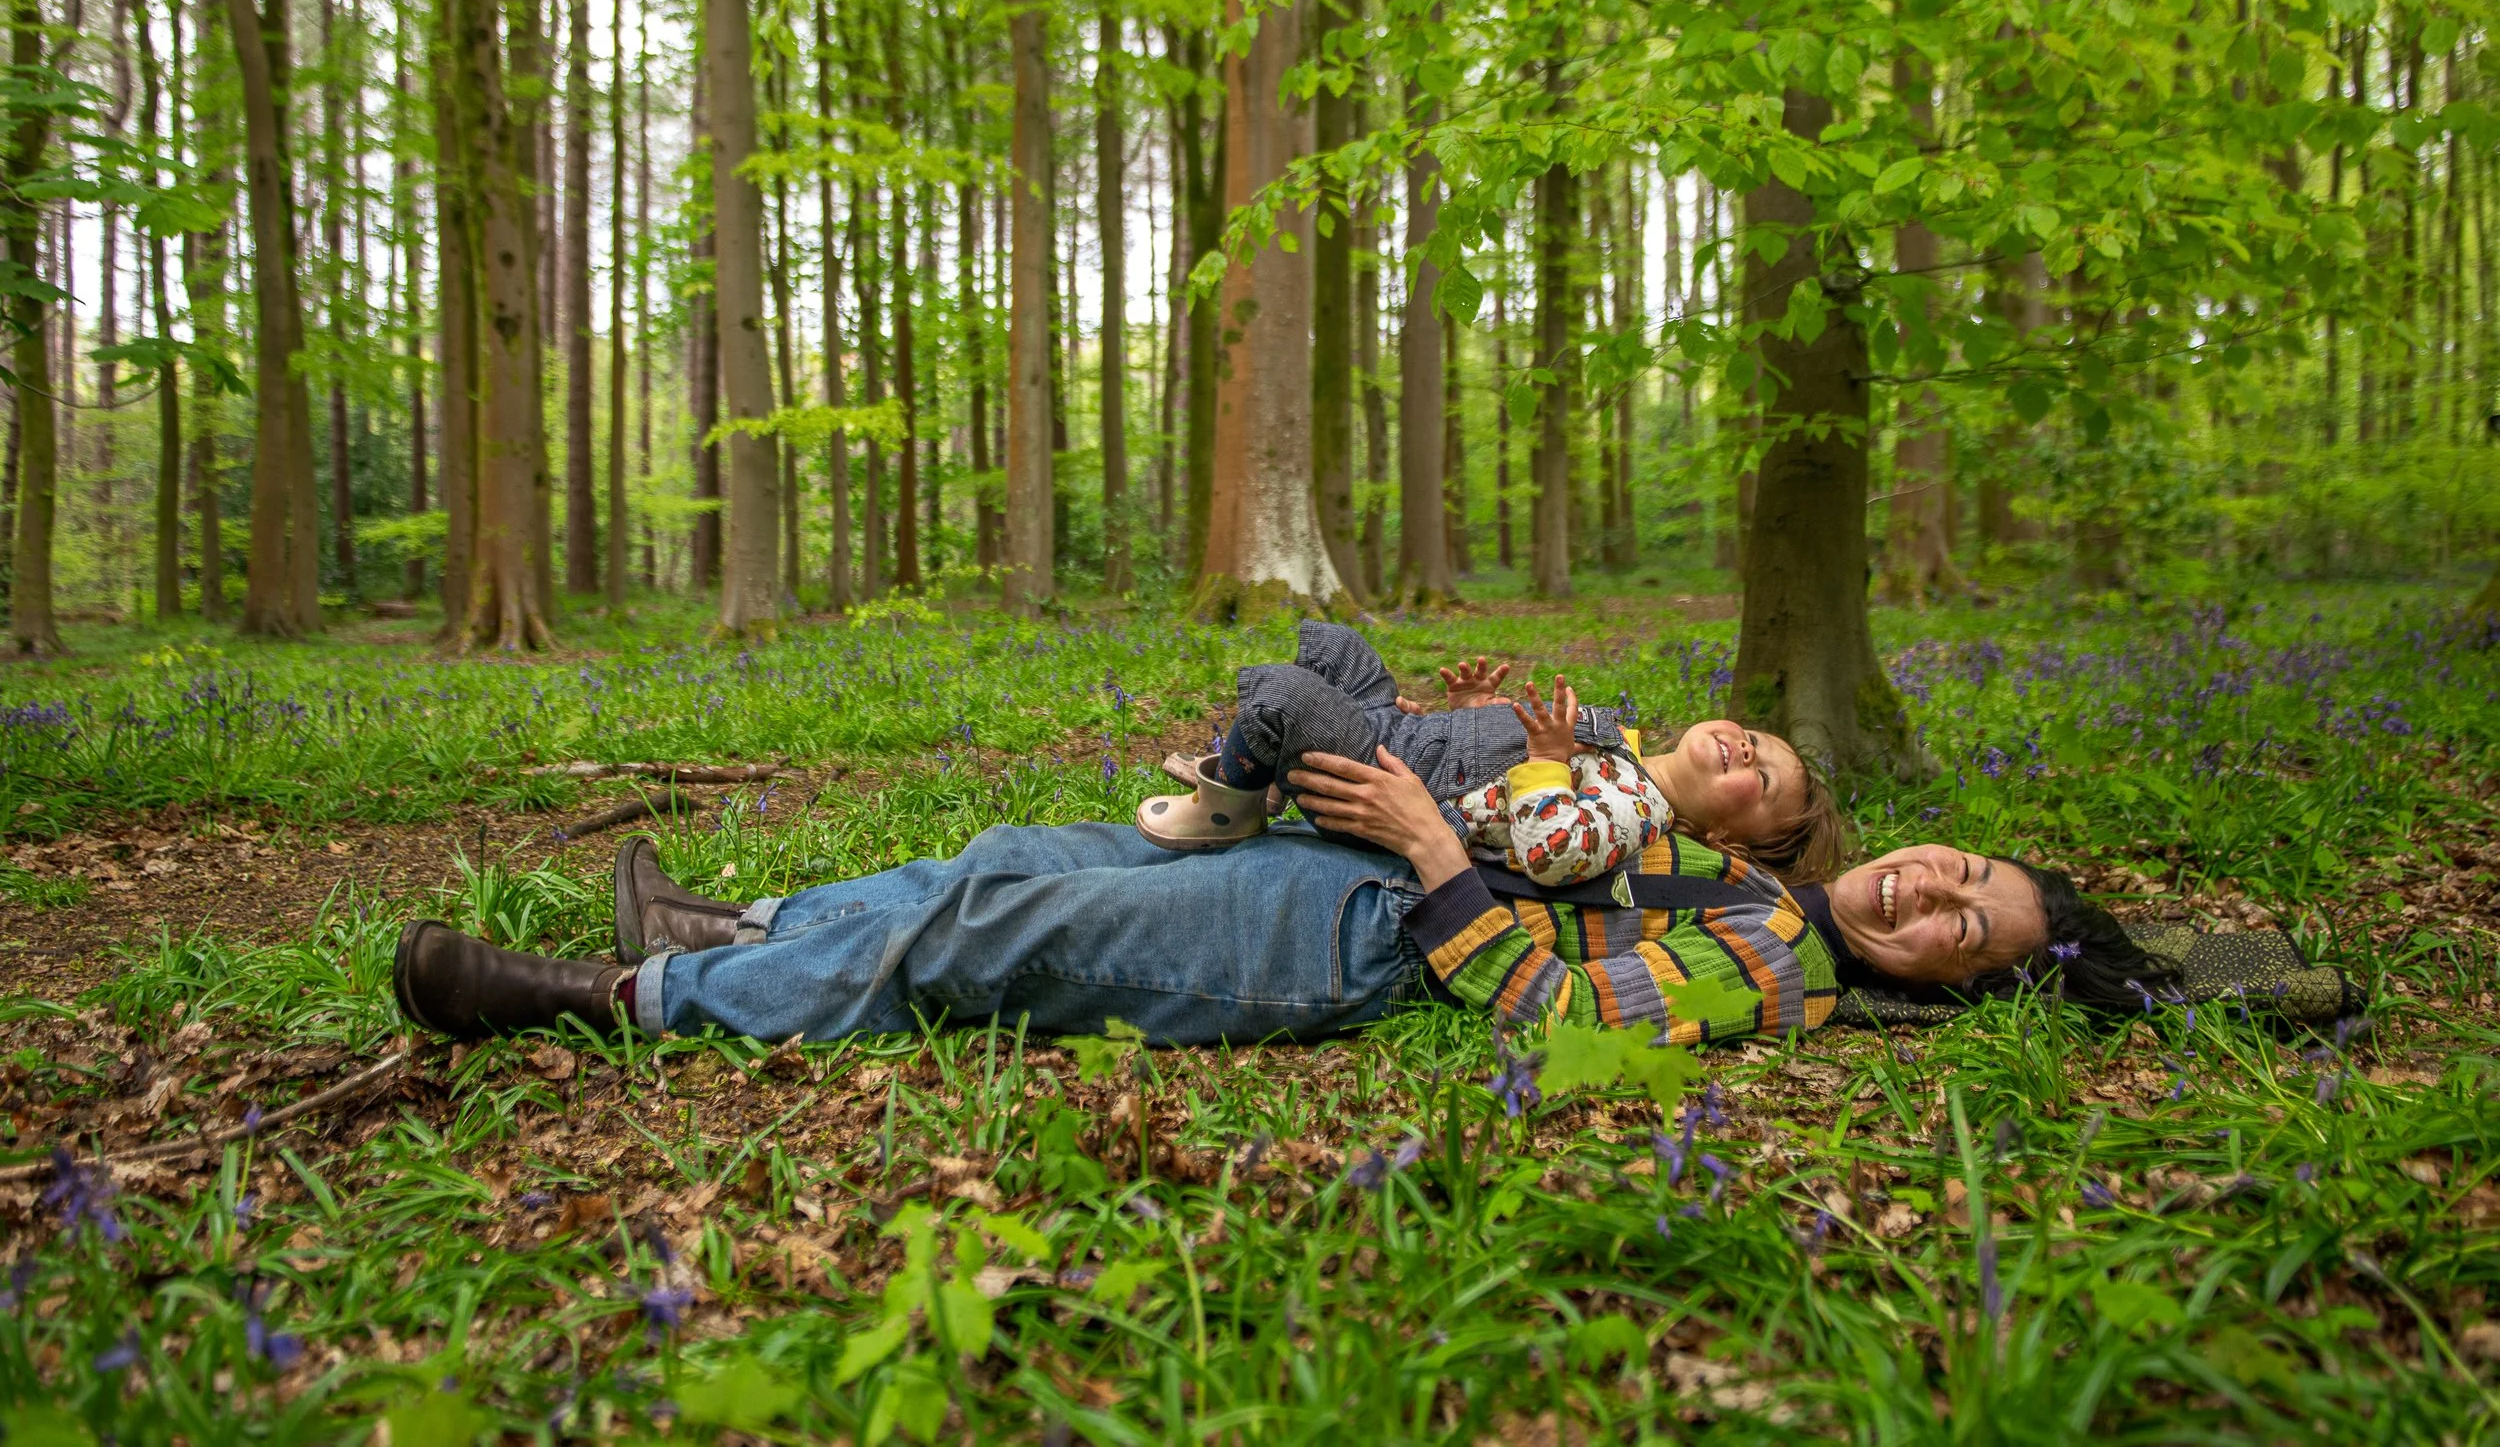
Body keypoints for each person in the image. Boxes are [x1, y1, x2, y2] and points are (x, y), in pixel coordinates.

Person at [391, 746, 2169, 1048]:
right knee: (1012, 859)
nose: (1939, 896)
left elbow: (1546, 1002)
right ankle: (751, 932)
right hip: (1347, 861)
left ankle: (624, 1005)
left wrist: (1423, 840)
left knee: (992, 941)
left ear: (1947, 985)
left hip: (1346, 936)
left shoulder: (1779, 971)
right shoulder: (1746, 865)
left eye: (1969, 932)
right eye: (1968, 871)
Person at [1136, 621, 1849, 882]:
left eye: (1759, 780)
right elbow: (1496, 786)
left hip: (1395, 784)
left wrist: (1541, 759)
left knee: (1285, 695)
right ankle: (1265, 777)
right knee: (1338, 646)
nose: (1744, 752)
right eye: (1756, 742)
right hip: (1413, 740)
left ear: (1721, 836)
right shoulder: (1623, 748)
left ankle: (1230, 808)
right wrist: (1474, 717)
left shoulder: (1636, 813)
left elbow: (1552, 850)